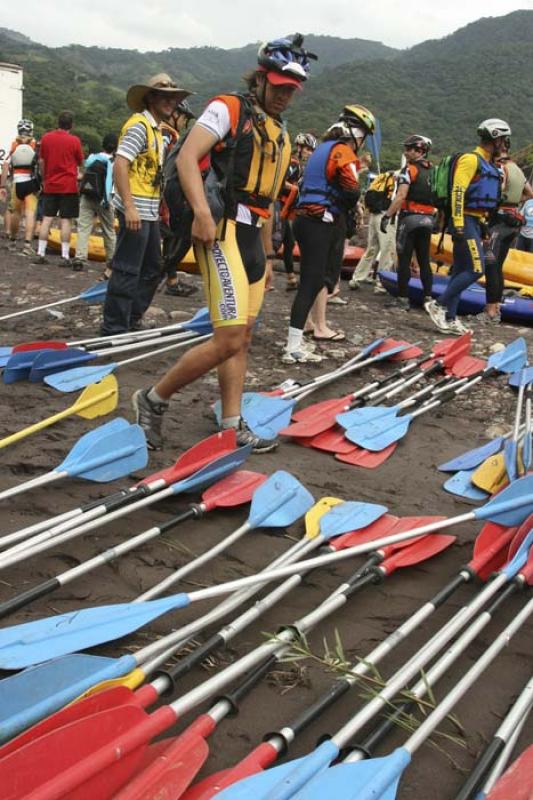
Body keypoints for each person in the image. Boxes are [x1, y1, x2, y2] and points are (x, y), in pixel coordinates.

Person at [132, 34, 313, 452]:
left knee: (242, 338)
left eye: (292, 90)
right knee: (228, 338)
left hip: (253, 239)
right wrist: (200, 213)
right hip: (221, 229)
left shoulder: (280, 133)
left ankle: (232, 425)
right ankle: (153, 399)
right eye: (280, 87)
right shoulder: (229, 108)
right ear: (261, 80)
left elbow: (265, 201)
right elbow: (186, 157)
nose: (285, 96)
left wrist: (267, 257)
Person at [100, 74, 191, 335]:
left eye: (173, 98)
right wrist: (128, 206)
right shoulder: (139, 125)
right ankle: (113, 328)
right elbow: (120, 162)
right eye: (164, 97)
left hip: (148, 211)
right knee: (127, 269)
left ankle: (130, 318)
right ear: (150, 97)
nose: (171, 102)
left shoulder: (155, 129)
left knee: (153, 268)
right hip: (136, 210)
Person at [283, 104, 374, 360]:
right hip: (319, 221)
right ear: (356, 134)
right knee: (313, 282)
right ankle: (292, 347)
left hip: (304, 219)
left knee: (312, 280)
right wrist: (352, 210)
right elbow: (351, 189)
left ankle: (300, 337)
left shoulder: (321, 149)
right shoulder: (342, 151)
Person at [425, 119, 508, 335]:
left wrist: (483, 226)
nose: (505, 144)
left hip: (474, 220)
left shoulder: (488, 164)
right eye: (503, 139)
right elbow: (458, 191)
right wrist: (459, 225)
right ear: (495, 138)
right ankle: (438, 304)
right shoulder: (471, 160)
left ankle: (450, 318)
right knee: (476, 269)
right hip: (463, 221)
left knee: (460, 271)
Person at [381, 135, 435, 311]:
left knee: (403, 259)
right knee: (424, 260)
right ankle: (428, 298)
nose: (406, 152)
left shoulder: (409, 170)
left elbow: (401, 195)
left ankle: (403, 299)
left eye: (409, 149)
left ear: (419, 150)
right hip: (428, 219)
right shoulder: (434, 171)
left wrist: (388, 215)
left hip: (409, 218)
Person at [480, 153, 533, 323]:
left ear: (499, 160)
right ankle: (496, 309)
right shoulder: (519, 171)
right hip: (513, 222)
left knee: (491, 265)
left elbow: (496, 191)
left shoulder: (502, 169)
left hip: (500, 222)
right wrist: (516, 202)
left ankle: (490, 311)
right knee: (498, 265)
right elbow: (530, 193)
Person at [32, 111, 84, 265]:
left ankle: (41, 253)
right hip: (68, 186)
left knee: (47, 218)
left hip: (50, 185)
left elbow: (41, 161)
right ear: (71, 125)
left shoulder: (46, 138)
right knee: (66, 220)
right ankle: (65, 256)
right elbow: (80, 162)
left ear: (58, 123)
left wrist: (45, 177)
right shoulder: (74, 140)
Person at [159, 104, 198, 297]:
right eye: (184, 118)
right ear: (174, 114)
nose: (184, 123)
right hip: (167, 190)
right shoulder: (168, 134)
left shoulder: (159, 130)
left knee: (169, 235)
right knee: (176, 234)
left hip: (163, 190)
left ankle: (172, 280)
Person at [71, 133, 118, 274]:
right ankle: (111, 261)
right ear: (116, 147)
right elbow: (113, 182)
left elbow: (85, 167)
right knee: (109, 231)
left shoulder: (92, 158)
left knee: (83, 228)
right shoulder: (114, 162)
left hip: (87, 196)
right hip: (104, 199)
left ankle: (79, 258)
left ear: (103, 145)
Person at [278, 132, 317, 290]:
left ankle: (291, 278)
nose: (309, 153)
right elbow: (281, 182)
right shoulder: (293, 163)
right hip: (280, 205)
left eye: (311, 150)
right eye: (308, 149)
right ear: (300, 148)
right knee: (282, 241)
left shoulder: (300, 166)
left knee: (289, 242)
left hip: (289, 207)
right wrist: (295, 188)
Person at [349, 168, 397, 290]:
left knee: (372, 248)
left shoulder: (384, 176)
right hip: (387, 215)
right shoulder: (400, 178)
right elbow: (398, 197)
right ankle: (382, 283)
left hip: (374, 215)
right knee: (387, 249)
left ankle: (357, 277)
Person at [0, 119, 39, 256]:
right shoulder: (35, 144)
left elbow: (6, 165)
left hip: (17, 182)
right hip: (31, 183)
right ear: (31, 130)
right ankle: (27, 245)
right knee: (30, 213)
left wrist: (3, 185)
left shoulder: (14, 144)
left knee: (16, 213)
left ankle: (12, 241)